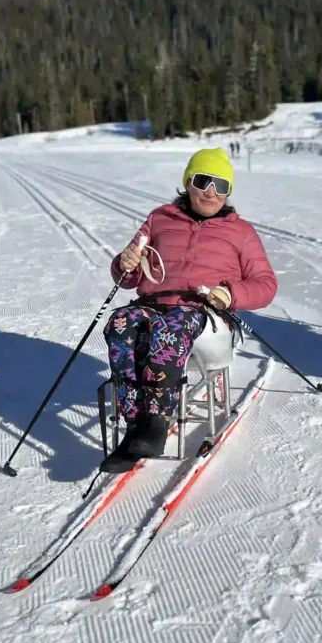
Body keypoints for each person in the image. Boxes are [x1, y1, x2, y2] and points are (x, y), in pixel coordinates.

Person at [102, 147, 277, 472]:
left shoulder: (241, 232)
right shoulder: (160, 218)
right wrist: (124, 263)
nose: (211, 192)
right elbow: (129, 275)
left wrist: (231, 294)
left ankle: (156, 421)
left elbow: (266, 284)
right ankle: (133, 422)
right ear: (188, 182)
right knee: (121, 322)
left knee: (171, 325)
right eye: (203, 181)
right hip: (153, 304)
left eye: (221, 186)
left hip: (204, 314)